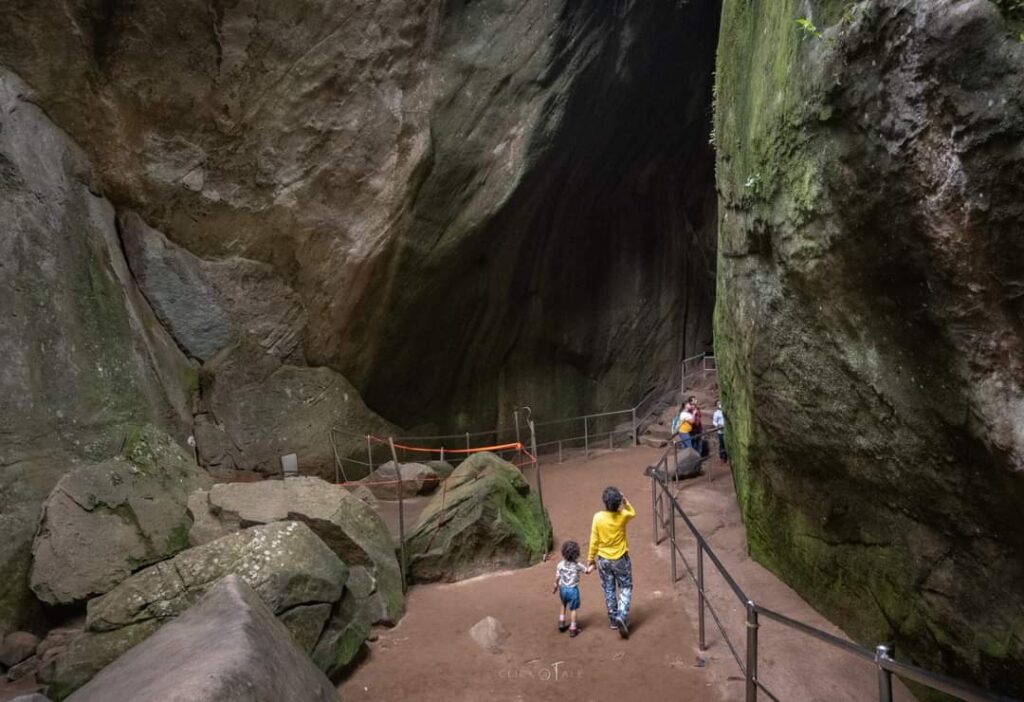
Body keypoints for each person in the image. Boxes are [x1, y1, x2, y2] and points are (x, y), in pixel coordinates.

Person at [587, 486, 636, 638]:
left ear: (604, 501)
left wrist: (590, 559)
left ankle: (614, 620)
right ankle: (622, 614)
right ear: (618, 503)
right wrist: (625, 500)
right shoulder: (623, 515)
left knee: (608, 589)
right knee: (625, 586)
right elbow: (633, 512)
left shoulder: (597, 517)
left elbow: (594, 540)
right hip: (620, 558)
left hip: (603, 560)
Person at [552, 540, 592, 637]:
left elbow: (557, 578)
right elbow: (587, 571)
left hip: (563, 589)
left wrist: (555, 585)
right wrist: (593, 566)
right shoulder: (577, 565)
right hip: (573, 590)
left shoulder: (560, 564)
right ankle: (573, 628)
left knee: (563, 604)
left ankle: (561, 622)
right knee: (573, 609)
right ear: (576, 554)